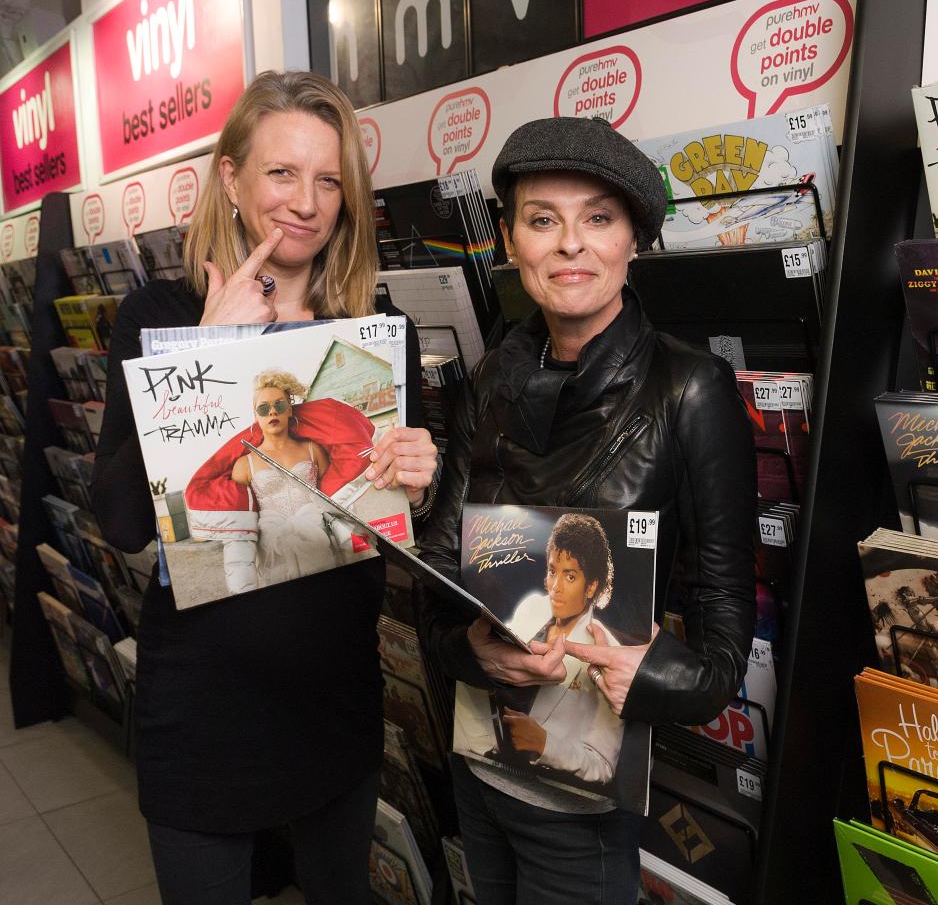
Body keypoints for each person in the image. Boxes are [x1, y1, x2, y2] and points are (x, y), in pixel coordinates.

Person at [92, 71, 437, 905]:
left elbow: (387, 520)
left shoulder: (375, 333)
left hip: (332, 701)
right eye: (282, 173)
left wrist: (419, 484)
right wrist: (199, 362)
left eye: (329, 180)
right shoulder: (158, 315)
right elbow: (123, 522)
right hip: (205, 713)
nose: (307, 202)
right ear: (232, 178)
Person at [417, 115, 756, 904]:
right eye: (543, 220)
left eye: (598, 218)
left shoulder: (690, 390)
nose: (571, 244)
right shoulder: (491, 377)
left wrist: (653, 674)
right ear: (510, 240)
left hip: (583, 796)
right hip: (479, 760)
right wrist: (474, 648)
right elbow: (439, 578)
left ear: (633, 238)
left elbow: (722, 630)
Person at [455, 512, 623, 788]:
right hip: (481, 766)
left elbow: (602, 767)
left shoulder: (609, 655)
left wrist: (545, 744)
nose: (555, 587)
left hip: (550, 796)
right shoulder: (533, 606)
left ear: (592, 585)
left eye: (569, 576)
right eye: (552, 570)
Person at [185, 369, 376, 592]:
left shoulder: (312, 450)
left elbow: (331, 501)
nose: (272, 412)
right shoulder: (243, 464)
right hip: (272, 554)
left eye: (280, 405)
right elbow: (243, 518)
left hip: (320, 544)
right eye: (264, 408)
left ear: (289, 409)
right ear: (255, 414)